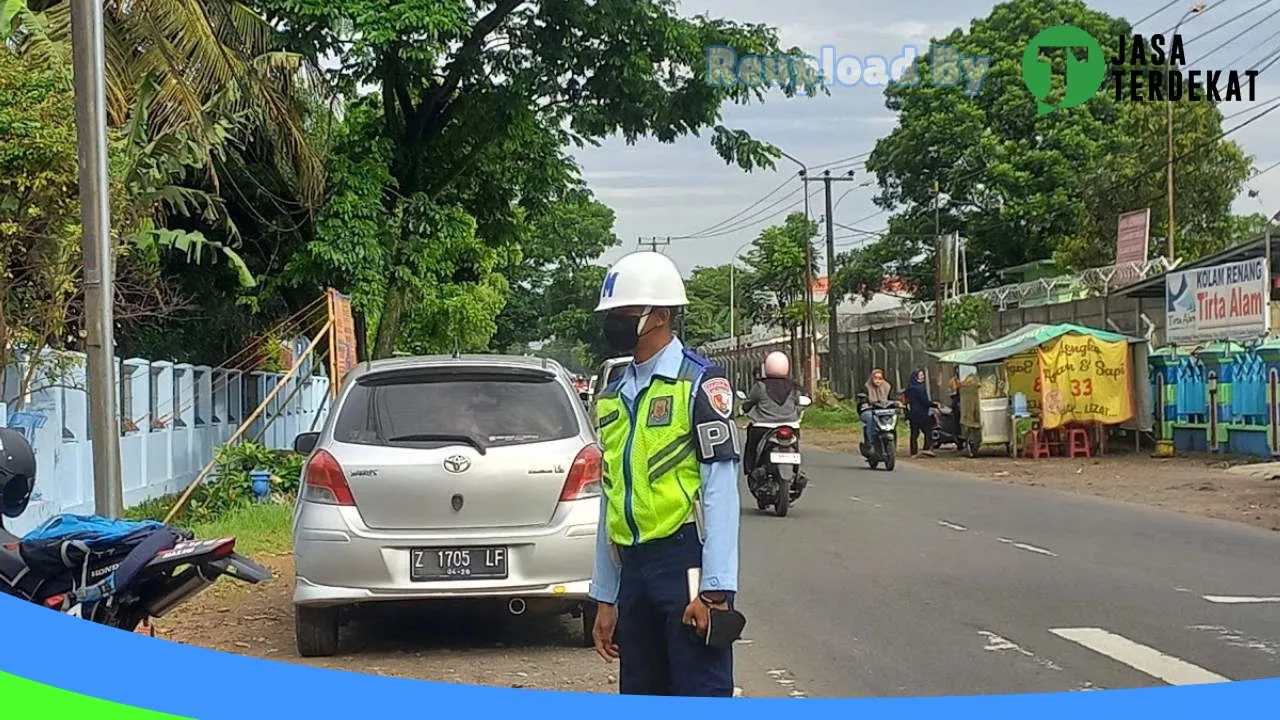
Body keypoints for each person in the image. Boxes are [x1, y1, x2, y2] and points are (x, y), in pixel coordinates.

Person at [588, 251, 742, 697]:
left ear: (659, 314)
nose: (614, 321)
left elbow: (720, 492)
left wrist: (715, 591)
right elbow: (610, 498)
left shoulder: (698, 385)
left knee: (699, 690)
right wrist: (606, 595)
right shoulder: (615, 395)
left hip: (684, 562)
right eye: (612, 313)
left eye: (624, 312)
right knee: (640, 693)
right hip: (632, 568)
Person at [740, 351, 802, 477]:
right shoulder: (793, 386)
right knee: (795, 443)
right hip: (791, 425)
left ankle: (750, 469)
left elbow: (750, 401)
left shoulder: (760, 386)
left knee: (751, 445)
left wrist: (743, 409)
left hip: (763, 426)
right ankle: (797, 471)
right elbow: (799, 402)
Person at [904, 369, 936, 458]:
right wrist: (934, 405)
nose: (923, 377)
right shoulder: (920, 388)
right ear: (916, 376)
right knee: (928, 431)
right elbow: (924, 401)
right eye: (921, 375)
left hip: (912, 414)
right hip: (922, 414)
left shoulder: (909, 388)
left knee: (914, 433)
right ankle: (926, 449)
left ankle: (913, 451)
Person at [861, 368, 892, 447]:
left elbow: (891, 399)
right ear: (872, 378)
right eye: (875, 378)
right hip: (869, 410)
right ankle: (871, 441)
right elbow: (862, 401)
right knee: (870, 417)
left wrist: (898, 403)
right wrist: (865, 403)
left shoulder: (887, 387)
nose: (878, 380)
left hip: (884, 410)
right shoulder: (866, 387)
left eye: (880, 378)